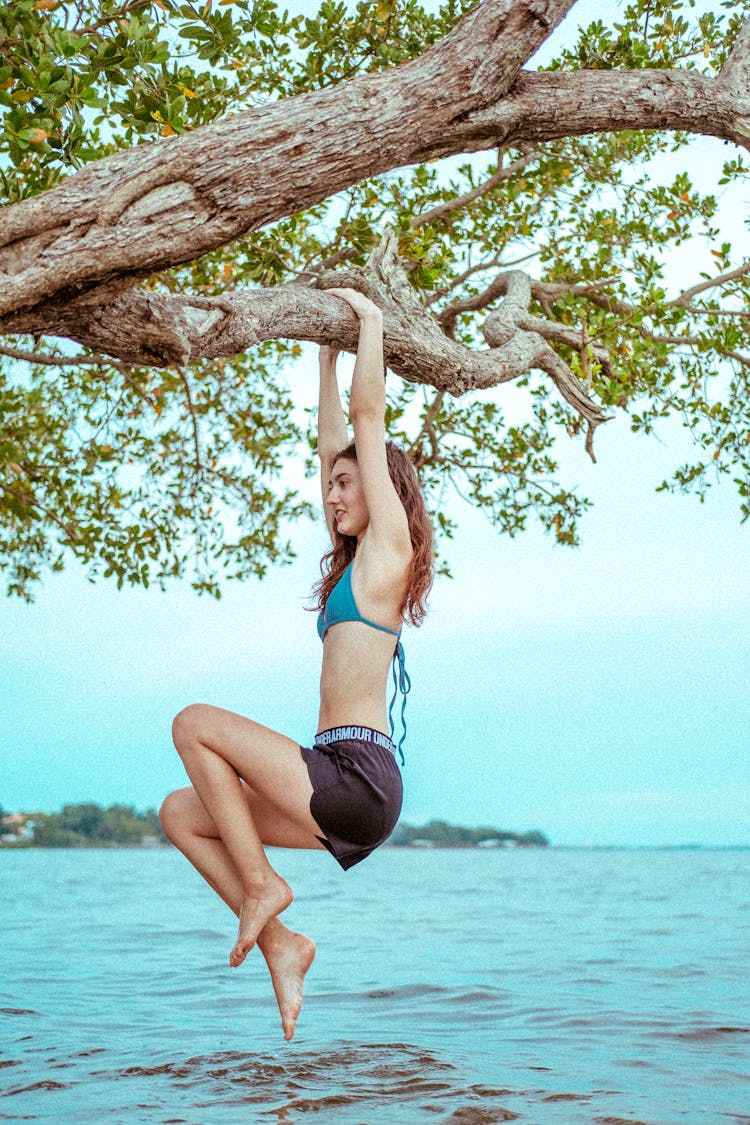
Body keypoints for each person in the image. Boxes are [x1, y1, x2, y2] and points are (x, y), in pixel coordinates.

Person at [159, 288, 434, 1041]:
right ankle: (283, 940)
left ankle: (262, 887)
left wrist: (369, 327)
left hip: (359, 777)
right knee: (182, 814)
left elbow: (366, 429)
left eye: (349, 485)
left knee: (193, 724)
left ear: (383, 490)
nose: (334, 493)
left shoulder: (387, 555)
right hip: (339, 778)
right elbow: (334, 447)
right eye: (335, 485)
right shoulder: (352, 565)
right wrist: (323, 357)